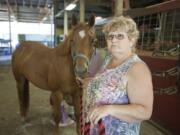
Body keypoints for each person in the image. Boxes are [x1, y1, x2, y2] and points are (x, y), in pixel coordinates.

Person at [78, 15, 154, 135]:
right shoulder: (109, 59)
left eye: (120, 36)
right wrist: (91, 82)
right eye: (110, 36)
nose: (113, 40)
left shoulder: (137, 68)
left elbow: (145, 112)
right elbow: (108, 82)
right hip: (95, 129)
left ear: (131, 40)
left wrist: (109, 109)